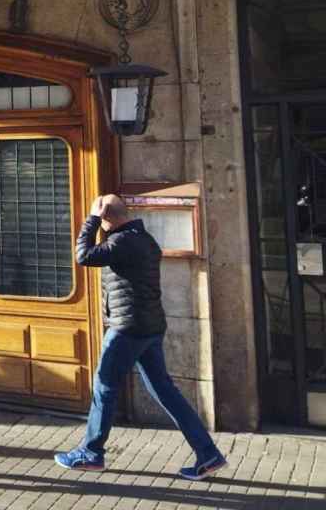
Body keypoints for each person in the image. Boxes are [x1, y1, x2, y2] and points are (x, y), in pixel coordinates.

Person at [55, 194, 227, 481]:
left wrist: (92, 220)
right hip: (149, 327)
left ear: (108, 218)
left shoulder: (122, 241)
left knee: (104, 387)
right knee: (165, 392)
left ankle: (91, 452)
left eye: (102, 220)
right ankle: (208, 454)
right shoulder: (144, 239)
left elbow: (83, 256)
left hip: (127, 329)